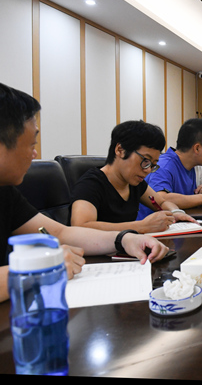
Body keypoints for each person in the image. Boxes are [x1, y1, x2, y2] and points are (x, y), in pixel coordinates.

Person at [0, 83, 168, 303]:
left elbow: (61, 233)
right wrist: (34, 272)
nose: (35, 153)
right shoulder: (93, 181)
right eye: (31, 144)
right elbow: (80, 225)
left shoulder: (6, 193)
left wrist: (124, 239)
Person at [70, 120, 195, 233]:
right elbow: (81, 226)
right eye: (145, 161)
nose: (148, 170)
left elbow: (161, 202)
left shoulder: (134, 183)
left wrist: (175, 212)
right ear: (120, 150)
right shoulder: (91, 184)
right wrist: (141, 226)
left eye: (153, 165)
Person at [137, 118, 202, 220]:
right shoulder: (164, 165)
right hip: (153, 226)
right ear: (197, 148)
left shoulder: (194, 166)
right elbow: (161, 198)